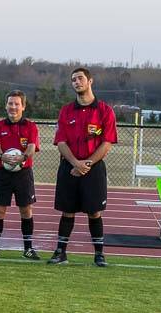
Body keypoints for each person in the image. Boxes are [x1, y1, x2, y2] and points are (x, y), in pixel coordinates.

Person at [49, 67, 117, 266]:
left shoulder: (105, 110)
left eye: (80, 78)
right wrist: (75, 163)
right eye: (73, 80)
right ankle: (60, 252)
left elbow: (107, 142)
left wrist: (86, 164)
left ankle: (99, 254)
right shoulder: (66, 110)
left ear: (90, 81)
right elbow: (61, 141)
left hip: (93, 169)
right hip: (69, 167)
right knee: (67, 211)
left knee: (94, 211)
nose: (76, 82)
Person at [0, 90, 41, 259]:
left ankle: (28, 248)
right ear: (5, 105)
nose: (13, 107)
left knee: (26, 210)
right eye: (10, 103)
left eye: (17, 104)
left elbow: (32, 147)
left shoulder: (30, 126)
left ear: (23, 106)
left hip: (23, 173)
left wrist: (22, 157)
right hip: (3, 173)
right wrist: (3, 157)